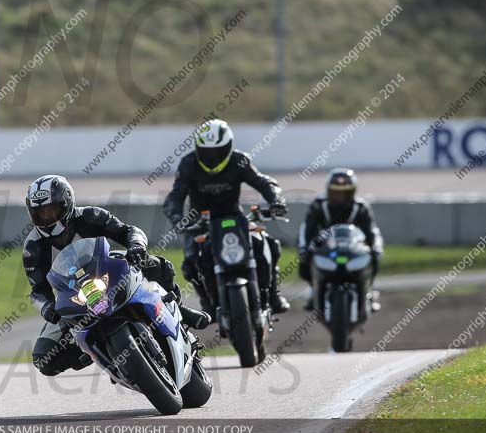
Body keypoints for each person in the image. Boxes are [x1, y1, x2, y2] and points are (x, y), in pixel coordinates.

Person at [24, 174, 211, 377]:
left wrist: (136, 246)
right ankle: (92, 350)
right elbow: (38, 291)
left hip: (109, 274)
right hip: (74, 298)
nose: (46, 217)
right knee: (43, 359)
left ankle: (179, 310)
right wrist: (47, 308)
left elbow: (128, 231)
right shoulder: (33, 247)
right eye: (40, 212)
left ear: (66, 203)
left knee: (156, 264)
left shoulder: (90, 215)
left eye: (51, 210)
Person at [163, 119, 290, 317]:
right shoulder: (189, 163)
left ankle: (272, 294)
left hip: (234, 216)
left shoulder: (239, 160)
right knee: (191, 261)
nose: (211, 157)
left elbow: (263, 182)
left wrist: (276, 201)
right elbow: (175, 196)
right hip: (199, 222)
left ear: (228, 146)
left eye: (217, 151)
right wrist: (177, 218)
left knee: (268, 245)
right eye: (206, 152)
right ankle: (208, 302)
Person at [298, 167, 384, 310]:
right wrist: (304, 248)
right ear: (328, 191)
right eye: (336, 192)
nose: (341, 196)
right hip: (326, 248)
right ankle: (315, 290)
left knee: (374, 257)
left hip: (353, 248)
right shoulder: (318, 205)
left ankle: (369, 291)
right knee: (304, 260)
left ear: (353, 192)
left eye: (346, 192)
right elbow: (306, 229)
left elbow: (372, 231)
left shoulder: (361, 207)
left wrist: (376, 247)